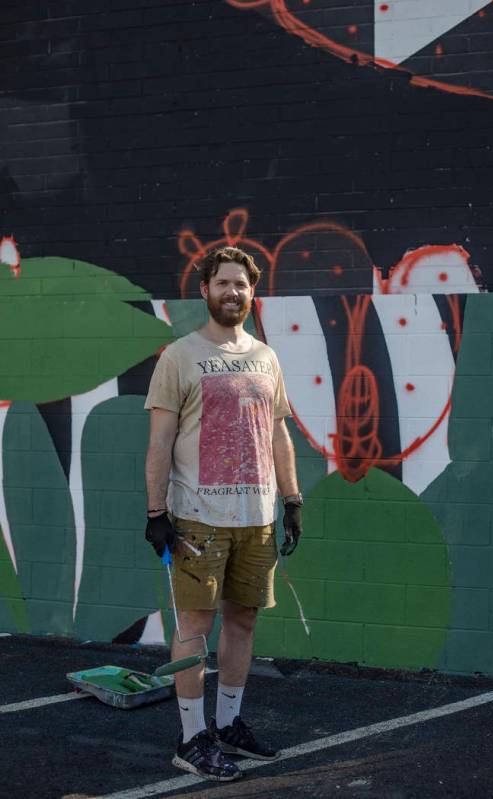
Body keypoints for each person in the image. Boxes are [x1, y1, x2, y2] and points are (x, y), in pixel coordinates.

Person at [144, 245, 303, 782]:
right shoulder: (180, 356)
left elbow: (279, 432)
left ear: (251, 292)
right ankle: (192, 739)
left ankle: (229, 724)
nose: (232, 292)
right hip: (197, 519)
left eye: (241, 284)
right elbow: (160, 441)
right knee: (194, 625)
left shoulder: (265, 357)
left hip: (256, 518)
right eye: (223, 283)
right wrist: (155, 511)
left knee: (243, 619)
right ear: (206, 290)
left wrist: (292, 499)